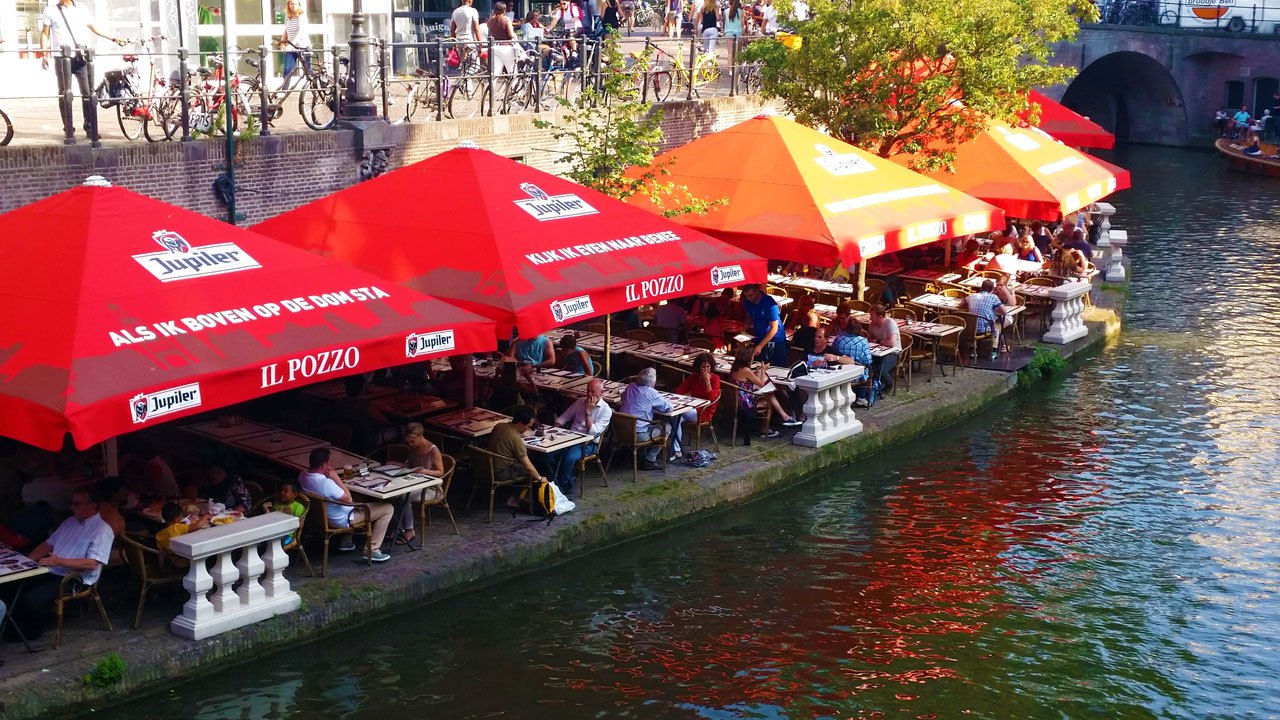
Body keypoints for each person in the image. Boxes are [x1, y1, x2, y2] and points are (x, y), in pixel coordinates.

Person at [7, 490, 115, 641]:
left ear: (93, 506)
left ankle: (30, 633)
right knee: (12, 585)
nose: (72, 507)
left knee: (31, 599)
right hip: (51, 569)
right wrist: (28, 561)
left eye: (77, 504)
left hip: (75, 578)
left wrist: (59, 561)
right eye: (72, 503)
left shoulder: (102, 530)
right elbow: (47, 544)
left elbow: (91, 564)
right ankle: (12, 627)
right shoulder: (70, 522)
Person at [40, 0, 126, 144]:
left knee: (87, 92)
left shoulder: (81, 8)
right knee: (64, 93)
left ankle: (90, 128)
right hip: (62, 58)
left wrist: (114, 38)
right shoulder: (50, 10)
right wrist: (44, 54)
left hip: (81, 56)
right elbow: (44, 33)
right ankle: (68, 129)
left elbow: (93, 27)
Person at [299, 448, 394, 563]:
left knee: (358, 497)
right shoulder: (325, 483)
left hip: (320, 517)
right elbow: (348, 499)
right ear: (324, 464)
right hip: (342, 519)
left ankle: (346, 540)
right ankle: (372, 550)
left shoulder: (303, 476)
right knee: (388, 508)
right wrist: (335, 477)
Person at [551, 378, 612, 496]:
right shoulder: (580, 402)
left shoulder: (606, 410)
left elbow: (593, 433)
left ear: (602, 392)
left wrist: (588, 412)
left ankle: (562, 488)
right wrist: (555, 427)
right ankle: (557, 481)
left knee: (568, 458)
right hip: (571, 437)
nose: (589, 394)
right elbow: (564, 417)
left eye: (593, 392)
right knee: (549, 454)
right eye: (588, 391)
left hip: (588, 443)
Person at [621, 368, 691, 468]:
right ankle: (650, 460)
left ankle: (640, 455)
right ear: (653, 381)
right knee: (667, 426)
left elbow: (623, 397)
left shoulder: (631, 386)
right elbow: (669, 408)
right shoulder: (651, 393)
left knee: (648, 423)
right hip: (638, 435)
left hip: (621, 431)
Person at [728, 347, 799, 443]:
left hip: (737, 400)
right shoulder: (746, 370)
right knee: (769, 398)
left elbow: (747, 378)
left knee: (769, 393)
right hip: (746, 403)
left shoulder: (735, 368)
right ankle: (766, 428)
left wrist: (756, 372)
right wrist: (762, 370)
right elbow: (761, 383)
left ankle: (785, 416)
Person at [394, 423, 445, 544]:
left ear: (421, 435)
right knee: (395, 495)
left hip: (432, 489)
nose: (410, 445)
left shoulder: (433, 450)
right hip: (416, 484)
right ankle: (398, 528)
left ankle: (409, 530)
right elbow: (411, 464)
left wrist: (425, 471)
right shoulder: (413, 448)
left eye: (412, 441)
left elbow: (440, 472)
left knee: (403, 497)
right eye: (408, 442)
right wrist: (401, 466)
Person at [488, 405, 550, 494]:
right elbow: (528, 467)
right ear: (520, 423)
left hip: (486, 467)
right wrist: (540, 478)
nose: (527, 429)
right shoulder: (515, 438)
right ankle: (517, 497)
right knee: (533, 469)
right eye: (528, 426)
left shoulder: (499, 426)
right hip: (501, 473)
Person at [740, 284, 788, 366]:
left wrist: (759, 346)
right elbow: (749, 315)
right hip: (759, 337)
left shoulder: (769, 304)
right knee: (757, 366)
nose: (748, 298)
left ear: (757, 291)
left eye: (750, 295)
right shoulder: (747, 302)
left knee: (777, 367)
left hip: (775, 340)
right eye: (746, 296)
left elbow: (774, 328)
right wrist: (744, 330)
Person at [830, 322, 874, 406]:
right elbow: (868, 361)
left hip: (840, 371)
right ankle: (861, 397)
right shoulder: (863, 341)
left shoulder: (838, 339)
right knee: (867, 368)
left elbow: (833, 352)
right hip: (856, 374)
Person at [674, 353, 722, 426]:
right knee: (674, 419)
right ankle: (675, 437)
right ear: (699, 368)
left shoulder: (715, 378)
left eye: (708, 367)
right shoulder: (694, 377)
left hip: (704, 411)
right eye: (703, 367)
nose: (706, 370)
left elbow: (711, 398)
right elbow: (680, 390)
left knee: (677, 412)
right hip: (692, 406)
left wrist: (707, 382)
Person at [863, 304, 901, 394]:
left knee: (881, 369)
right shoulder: (872, 325)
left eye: (872, 316)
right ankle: (875, 385)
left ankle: (889, 383)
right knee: (868, 364)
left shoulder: (890, 323)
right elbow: (870, 339)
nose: (870, 318)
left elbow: (892, 343)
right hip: (878, 352)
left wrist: (878, 340)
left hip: (893, 353)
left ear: (879, 316)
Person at [964, 279, 1006, 359]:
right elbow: (1004, 311)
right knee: (997, 326)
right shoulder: (993, 297)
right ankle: (993, 350)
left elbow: (962, 304)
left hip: (969, 329)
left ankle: (974, 349)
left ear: (981, 288)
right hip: (985, 329)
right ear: (992, 290)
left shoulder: (972, 296)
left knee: (979, 321)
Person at [277, 0, 311, 91]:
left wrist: (291, 44)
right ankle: (284, 91)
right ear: (288, 5)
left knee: (308, 71)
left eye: (296, 3)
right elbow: (286, 31)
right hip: (291, 47)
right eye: (292, 3)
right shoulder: (288, 17)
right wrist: (282, 42)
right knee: (287, 70)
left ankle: (316, 88)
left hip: (302, 47)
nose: (294, 5)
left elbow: (300, 33)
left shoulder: (302, 16)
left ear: (299, 4)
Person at [261, 479, 307, 546]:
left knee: (271, 544)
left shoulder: (298, 507)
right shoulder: (278, 504)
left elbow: (300, 526)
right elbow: (270, 520)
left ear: (294, 494)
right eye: (282, 490)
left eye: (286, 491)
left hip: (287, 535)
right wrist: (266, 510)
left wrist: (290, 516)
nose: (282, 492)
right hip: (273, 531)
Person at [450, 0, 482, 82]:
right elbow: (476, 29)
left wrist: (454, 43)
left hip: (459, 41)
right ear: (470, 0)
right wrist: (481, 44)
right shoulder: (473, 11)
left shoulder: (455, 12)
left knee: (464, 66)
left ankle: (468, 91)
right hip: (469, 42)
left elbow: (452, 30)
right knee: (475, 66)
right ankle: (462, 80)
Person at [487, 2, 518, 75]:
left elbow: (489, 35)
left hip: (495, 47)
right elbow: (511, 34)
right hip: (506, 47)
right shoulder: (506, 20)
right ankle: (513, 86)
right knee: (512, 71)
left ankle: (492, 85)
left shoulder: (490, 21)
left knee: (495, 72)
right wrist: (515, 35)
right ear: (504, 10)